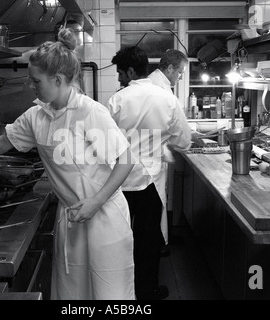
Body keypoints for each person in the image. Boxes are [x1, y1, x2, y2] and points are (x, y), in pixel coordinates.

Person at [0, 28, 136, 300]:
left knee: (109, 295)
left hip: (104, 217)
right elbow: (2, 142)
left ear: (57, 79)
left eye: (36, 81)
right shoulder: (37, 116)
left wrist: (95, 202)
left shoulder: (90, 112)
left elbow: (126, 159)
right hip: (72, 219)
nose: (32, 86)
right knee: (72, 293)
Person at [107, 46, 192, 300]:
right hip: (150, 182)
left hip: (118, 183)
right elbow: (183, 140)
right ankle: (146, 292)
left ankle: (119, 292)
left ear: (132, 71)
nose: (120, 78)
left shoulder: (116, 100)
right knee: (148, 241)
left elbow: (104, 142)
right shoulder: (166, 98)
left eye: (121, 73)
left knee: (119, 240)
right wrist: (164, 144)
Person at [148, 49, 189, 253]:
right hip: (149, 164)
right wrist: (187, 141)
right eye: (180, 72)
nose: (180, 77)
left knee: (153, 213)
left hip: (144, 161)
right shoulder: (162, 90)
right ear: (170, 68)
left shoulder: (155, 83)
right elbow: (181, 137)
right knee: (154, 211)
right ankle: (158, 247)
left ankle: (159, 243)